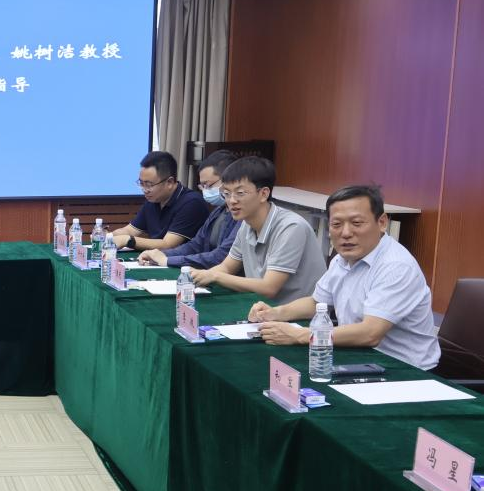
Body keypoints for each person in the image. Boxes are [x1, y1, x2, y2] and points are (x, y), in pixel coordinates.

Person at [250, 185, 440, 370]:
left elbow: (370, 333)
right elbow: (316, 303)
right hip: (360, 358)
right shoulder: (342, 259)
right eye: (337, 224)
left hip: (405, 370)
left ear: (382, 222)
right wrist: (275, 313)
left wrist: (299, 335)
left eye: (357, 223)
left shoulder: (396, 266)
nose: (346, 233)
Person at [189, 156, 326, 304]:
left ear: (264, 194)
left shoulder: (291, 227)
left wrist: (215, 276)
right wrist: (201, 276)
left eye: (240, 193)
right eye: (227, 193)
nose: (232, 201)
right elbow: (227, 267)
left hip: (297, 314)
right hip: (263, 309)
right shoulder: (246, 224)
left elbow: (269, 288)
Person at [138, 150, 240, 269]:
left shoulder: (242, 216)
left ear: (229, 180)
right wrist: (161, 254)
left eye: (208, 185)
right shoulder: (218, 211)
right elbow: (196, 245)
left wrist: (168, 260)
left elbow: (220, 256)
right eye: (202, 186)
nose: (205, 190)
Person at [110, 151, 209, 252]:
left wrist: (128, 240)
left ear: (169, 182)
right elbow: (129, 230)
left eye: (149, 184)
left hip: (184, 260)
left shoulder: (192, 203)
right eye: (141, 183)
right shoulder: (153, 200)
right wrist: (107, 236)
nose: (144, 190)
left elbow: (168, 245)